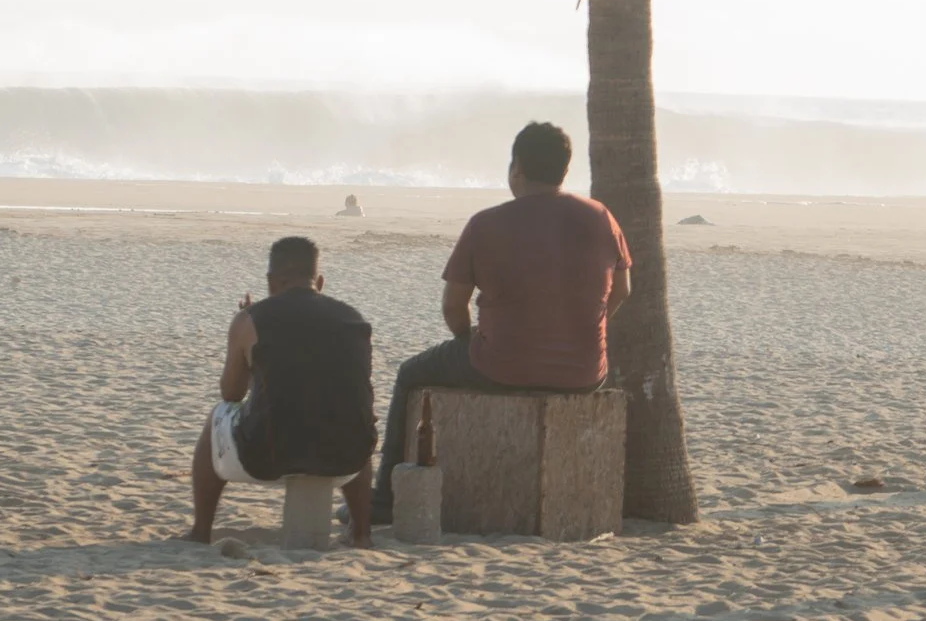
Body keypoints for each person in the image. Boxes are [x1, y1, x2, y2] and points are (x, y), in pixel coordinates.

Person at [371, 121, 630, 510]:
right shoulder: (601, 217)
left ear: (517, 168)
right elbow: (622, 291)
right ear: (564, 169)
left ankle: (383, 500)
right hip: (584, 373)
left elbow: (452, 306)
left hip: (499, 366)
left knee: (410, 374)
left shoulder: (486, 223)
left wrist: (466, 338)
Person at [191, 235, 377, 544]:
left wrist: (247, 340)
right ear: (319, 280)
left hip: (269, 454)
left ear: (272, 281)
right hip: (348, 457)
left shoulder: (250, 319)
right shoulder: (354, 319)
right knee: (353, 415)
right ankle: (361, 532)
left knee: (218, 416)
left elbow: (231, 394)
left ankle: (200, 531)